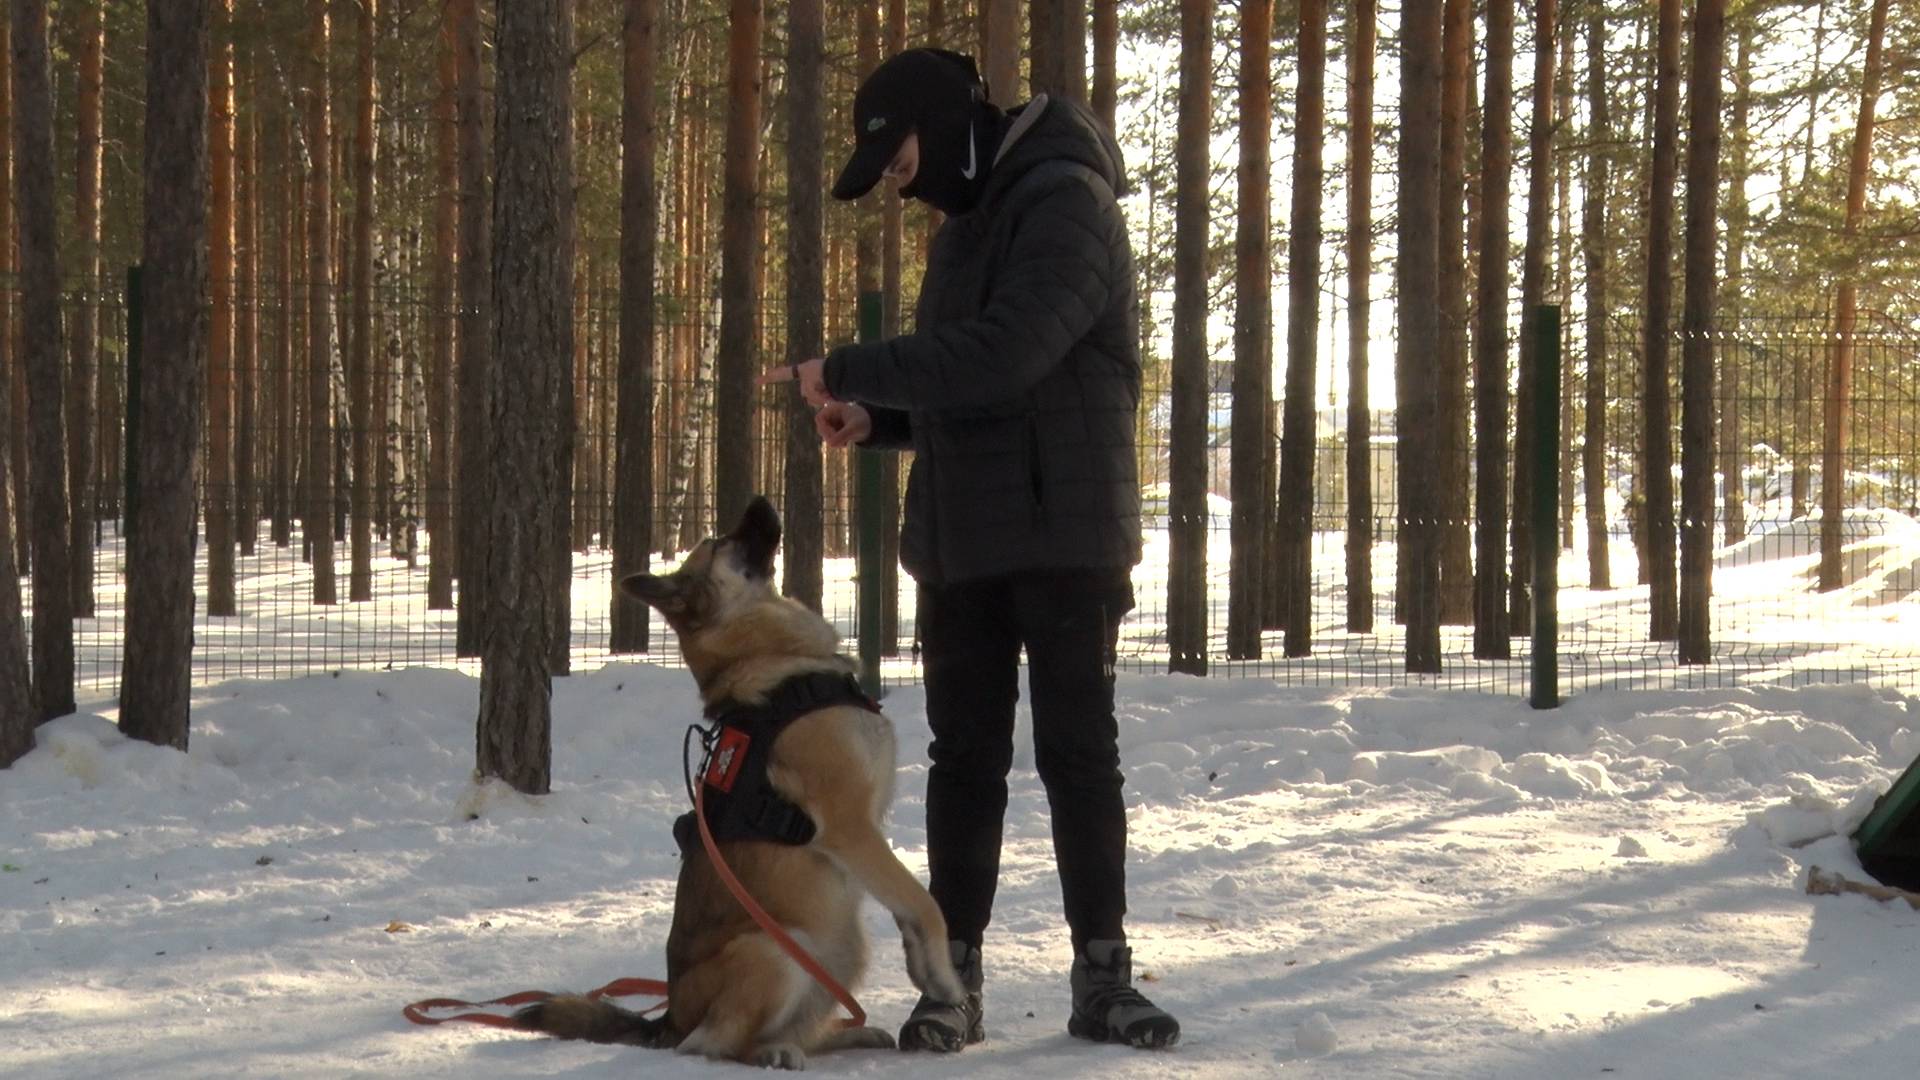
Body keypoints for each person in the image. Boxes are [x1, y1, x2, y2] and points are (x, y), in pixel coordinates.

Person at [759, 47, 1178, 1052]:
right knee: (964, 763)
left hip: (1067, 534)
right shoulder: (966, 229)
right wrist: (877, 417)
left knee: (1079, 757)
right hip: (964, 540)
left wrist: (854, 362)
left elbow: (1009, 354)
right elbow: (971, 392)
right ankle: (953, 981)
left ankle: (1104, 978)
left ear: (941, 127)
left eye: (902, 165)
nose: (905, 191)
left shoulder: (1067, 203)